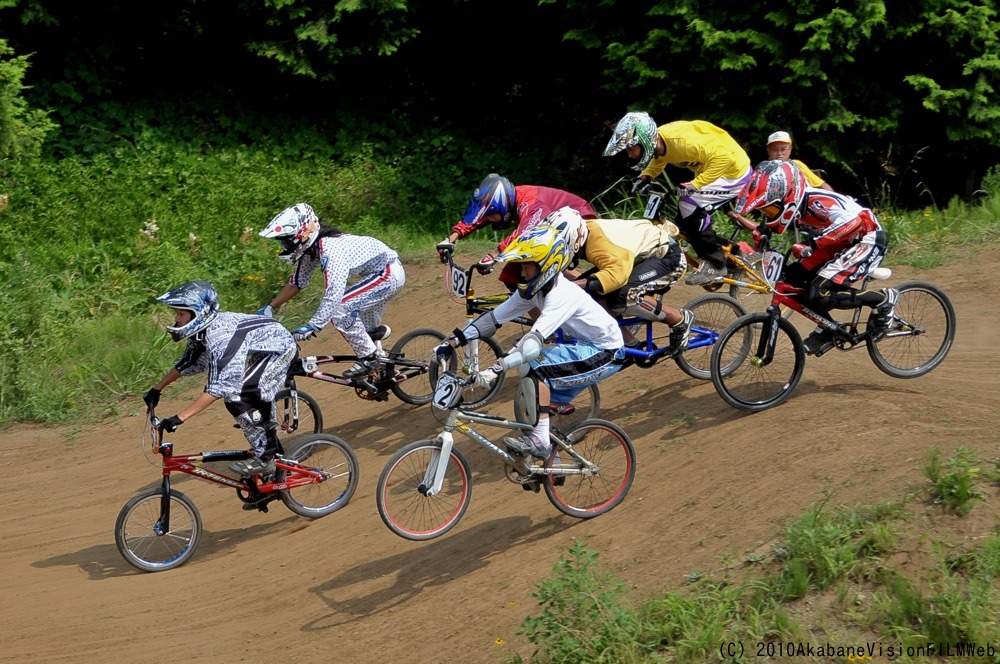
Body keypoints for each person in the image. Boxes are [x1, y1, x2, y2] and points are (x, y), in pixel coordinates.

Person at [433, 224, 626, 459]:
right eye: (522, 266)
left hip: (606, 351)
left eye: (527, 267)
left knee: (536, 368)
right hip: (584, 347)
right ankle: (550, 461)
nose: (522, 274)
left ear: (547, 265)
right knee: (532, 400)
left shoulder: (561, 295)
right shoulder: (535, 291)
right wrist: (451, 343)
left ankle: (541, 442)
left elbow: (531, 345)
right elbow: (493, 319)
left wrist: (496, 369)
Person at [734, 160, 898, 356]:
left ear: (787, 197)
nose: (768, 214)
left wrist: (812, 244)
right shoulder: (797, 205)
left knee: (820, 292)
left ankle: (882, 299)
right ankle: (828, 327)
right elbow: (771, 224)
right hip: (839, 243)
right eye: (765, 211)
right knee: (792, 278)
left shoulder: (816, 201)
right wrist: (762, 233)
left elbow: (853, 223)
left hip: (867, 239)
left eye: (770, 210)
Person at [142, 281, 297, 477]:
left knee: (240, 396)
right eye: (177, 314)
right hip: (261, 349)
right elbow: (189, 362)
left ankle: (267, 459)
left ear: (199, 314)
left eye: (181, 314)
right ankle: (274, 462)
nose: (177, 319)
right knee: (239, 399)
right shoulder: (202, 332)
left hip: (280, 349)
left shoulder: (221, 338)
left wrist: (179, 418)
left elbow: (219, 387)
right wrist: (157, 389)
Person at [603, 112, 752, 286]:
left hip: (734, 174)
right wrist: (647, 176)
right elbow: (660, 158)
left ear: (643, 141)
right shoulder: (659, 143)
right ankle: (731, 253)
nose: (630, 155)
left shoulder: (684, 143)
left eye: (630, 148)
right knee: (685, 224)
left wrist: (695, 184)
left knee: (689, 204)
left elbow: (725, 158)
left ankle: (716, 264)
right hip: (718, 172)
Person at [257, 203, 404, 379]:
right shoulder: (313, 248)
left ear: (302, 233)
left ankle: (370, 358)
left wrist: (313, 326)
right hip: (378, 275)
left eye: (285, 240)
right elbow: (297, 282)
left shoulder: (330, 247)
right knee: (363, 331)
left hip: (388, 273)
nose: (283, 245)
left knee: (341, 308)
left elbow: (334, 293)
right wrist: (271, 307)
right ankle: (384, 374)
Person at [549, 206, 694, 352]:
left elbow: (616, 276)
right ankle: (629, 343)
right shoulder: (586, 233)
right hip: (637, 258)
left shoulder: (598, 246)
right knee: (588, 295)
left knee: (624, 296)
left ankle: (679, 319)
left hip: (666, 256)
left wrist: (575, 285)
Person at [436, 173, 598, 289]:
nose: (489, 220)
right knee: (513, 277)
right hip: (554, 225)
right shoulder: (510, 198)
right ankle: (547, 331)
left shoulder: (529, 202)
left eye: (491, 216)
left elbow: (524, 232)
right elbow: (478, 218)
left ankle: (583, 295)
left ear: (501, 207)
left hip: (579, 220)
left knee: (530, 273)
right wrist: (451, 239)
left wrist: (494, 255)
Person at [765, 131, 834, 191]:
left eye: (783, 149)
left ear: (790, 149)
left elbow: (822, 185)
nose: (779, 153)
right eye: (774, 150)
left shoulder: (797, 165)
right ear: (768, 151)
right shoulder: (763, 169)